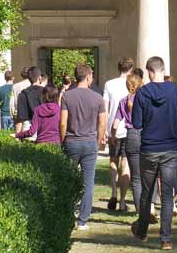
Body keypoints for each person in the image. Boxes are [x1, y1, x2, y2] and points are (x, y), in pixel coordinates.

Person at [129, 56, 177, 250]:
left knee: (147, 192)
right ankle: (166, 238)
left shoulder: (143, 93)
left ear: (149, 71)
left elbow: (136, 123)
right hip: (170, 148)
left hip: (149, 148)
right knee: (168, 195)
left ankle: (143, 231)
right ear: (163, 69)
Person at [60, 63, 107, 231]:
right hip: (89, 142)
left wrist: (63, 140)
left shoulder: (67, 96)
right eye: (92, 75)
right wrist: (98, 140)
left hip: (71, 142)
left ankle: (67, 214)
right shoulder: (98, 98)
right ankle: (83, 220)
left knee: (68, 180)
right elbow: (102, 123)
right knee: (88, 183)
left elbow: (63, 122)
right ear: (88, 77)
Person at [103, 57, 136, 211]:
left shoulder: (109, 84)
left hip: (112, 129)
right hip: (129, 129)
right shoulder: (133, 84)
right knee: (126, 164)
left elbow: (105, 108)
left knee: (113, 161)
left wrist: (103, 130)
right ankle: (123, 200)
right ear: (131, 68)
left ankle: (114, 192)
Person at [115, 71, 143, 214]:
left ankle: (139, 210)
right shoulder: (145, 100)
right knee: (150, 173)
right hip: (146, 135)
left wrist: (113, 137)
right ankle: (149, 206)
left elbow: (115, 124)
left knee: (136, 177)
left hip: (130, 136)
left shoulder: (123, 101)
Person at [15, 67, 47, 133]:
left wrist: (17, 135)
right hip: (45, 128)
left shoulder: (23, 94)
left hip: (28, 129)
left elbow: (20, 118)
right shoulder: (46, 92)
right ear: (40, 78)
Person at [11, 67, 33, 133]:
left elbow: (11, 102)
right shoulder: (32, 85)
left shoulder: (15, 86)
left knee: (18, 135)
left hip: (18, 113)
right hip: (29, 114)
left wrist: (13, 113)